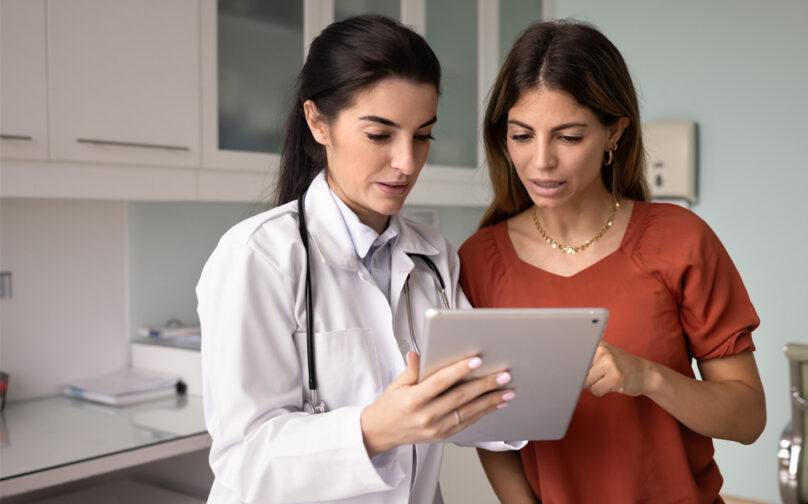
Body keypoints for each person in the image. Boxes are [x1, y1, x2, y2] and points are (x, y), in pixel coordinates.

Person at [197, 16, 521, 504]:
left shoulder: (433, 256)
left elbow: (475, 407)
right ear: (317, 122)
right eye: (379, 135)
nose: (407, 163)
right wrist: (373, 428)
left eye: (422, 136)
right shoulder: (258, 258)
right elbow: (244, 463)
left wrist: (540, 382)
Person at [458, 21, 766, 503]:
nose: (541, 162)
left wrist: (648, 377)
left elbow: (748, 419)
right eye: (522, 136)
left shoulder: (681, 241)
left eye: (568, 137)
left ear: (613, 133)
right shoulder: (479, 261)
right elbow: (490, 430)